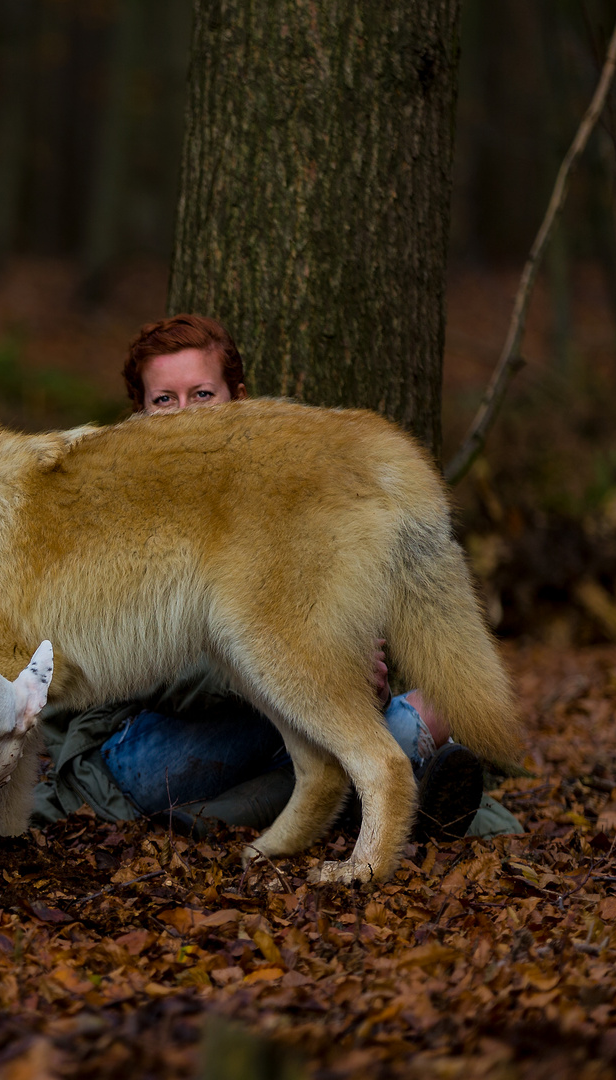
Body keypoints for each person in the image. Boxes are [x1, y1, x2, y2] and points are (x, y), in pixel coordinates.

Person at [29, 314, 519, 841]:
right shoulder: (116, 496)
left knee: (352, 714)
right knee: (343, 712)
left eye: (201, 394)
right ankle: (398, 760)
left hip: (271, 731)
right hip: (139, 752)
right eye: (164, 401)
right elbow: (143, 668)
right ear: (139, 414)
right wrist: (328, 669)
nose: (185, 415)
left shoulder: (276, 505)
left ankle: (370, 773)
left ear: (239, 401)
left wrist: (342, 669)